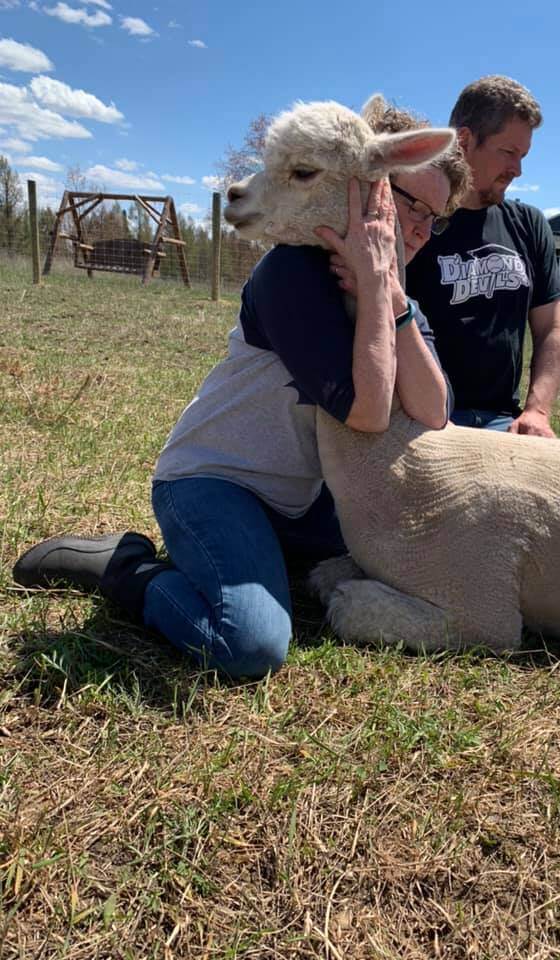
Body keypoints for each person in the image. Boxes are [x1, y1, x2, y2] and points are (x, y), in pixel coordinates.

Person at [13, 107, 470, 681]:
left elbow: (435, 411)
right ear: (371, 188)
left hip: (303, 505)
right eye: (409, 204)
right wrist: (379, 287)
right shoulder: (291, 274)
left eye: (436, 217)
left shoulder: (395, 295)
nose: (420, 228)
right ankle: (125, 567)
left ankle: (256, 554)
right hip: (217, 482)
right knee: (249, 644)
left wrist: (391, 299)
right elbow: (370, 413)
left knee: (415, 552)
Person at [406, 76, 560, 437]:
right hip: (424, 422)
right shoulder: (414, 221)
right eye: (508, 152)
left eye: (523, 156)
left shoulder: (528, 224)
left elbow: (553, 326)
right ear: (464, 141)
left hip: (504, 423)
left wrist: (537, 411)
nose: (518, 169)